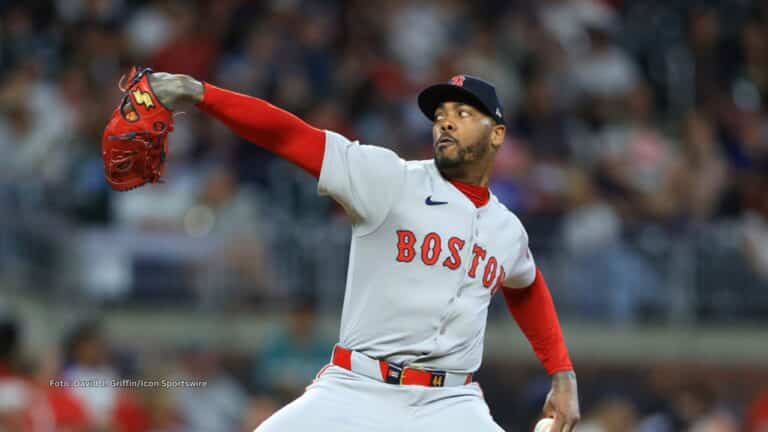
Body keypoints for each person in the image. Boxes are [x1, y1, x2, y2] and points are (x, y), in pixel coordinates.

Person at [148, 71, 580, 431]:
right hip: (357, 387)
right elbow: (289, 136)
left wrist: (562, 374)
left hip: (451, 403)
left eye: (463, 114)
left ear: (498, 134)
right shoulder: (390, 179)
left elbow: (526, 284)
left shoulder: (507, 229)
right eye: (440, 115)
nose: (446, 123)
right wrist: (200, 93)